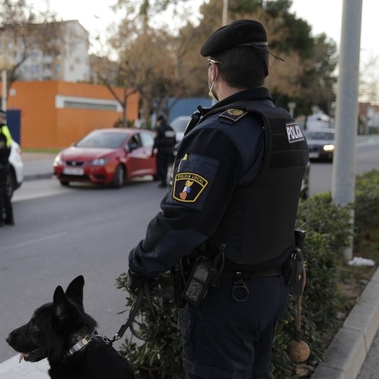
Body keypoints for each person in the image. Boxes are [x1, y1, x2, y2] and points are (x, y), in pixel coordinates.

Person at [127, 19, 309, 378]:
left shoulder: (219, 133)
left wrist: (141, 262)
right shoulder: (285, 126)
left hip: (227, 298)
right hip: (272, 287)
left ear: (214, 72)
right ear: (266, 69)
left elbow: (184, 219)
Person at [153, 115, 177, 188]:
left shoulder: (159, 128)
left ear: (159, 121)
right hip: (169, 150)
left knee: (161, 166)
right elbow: (174, 140)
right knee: (166, 166)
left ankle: (163, 181)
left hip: (162, 150)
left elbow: (156, 140)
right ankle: (166, 181)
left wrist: (154, 148)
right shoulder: (170, 128)